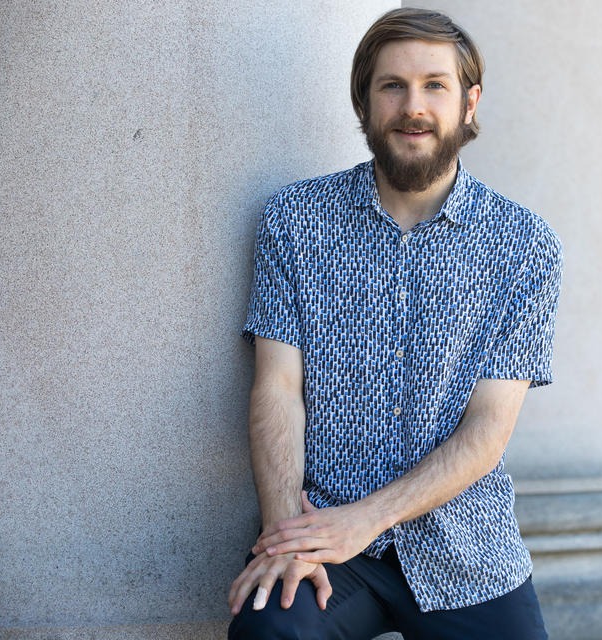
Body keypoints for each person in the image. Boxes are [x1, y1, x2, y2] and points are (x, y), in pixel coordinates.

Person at [227, 7, 562, 639]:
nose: (414, 105)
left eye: (435, 85)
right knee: (269, 630)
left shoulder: (525, 245)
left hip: (467, 552)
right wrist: (285, 537)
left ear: (469, 103)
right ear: (364, 103)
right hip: (326, 543)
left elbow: (488, 430)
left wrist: (366, 519)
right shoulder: (294, 221)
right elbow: (276, 390)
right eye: (393, 85)